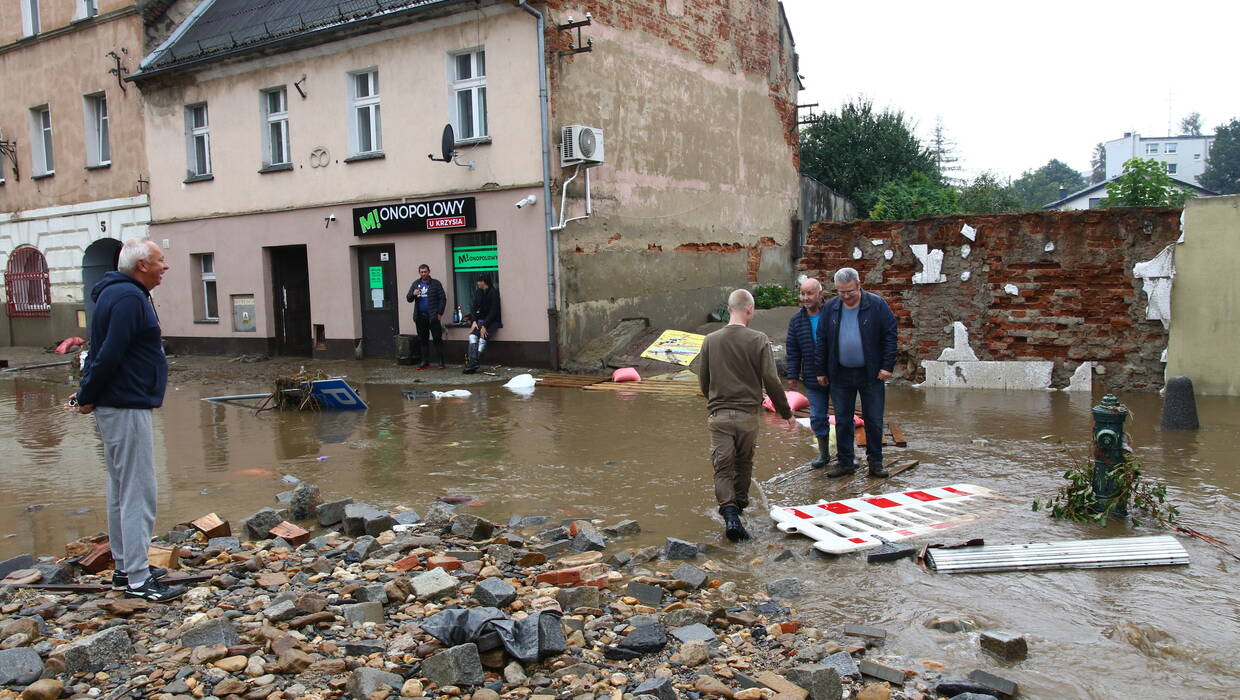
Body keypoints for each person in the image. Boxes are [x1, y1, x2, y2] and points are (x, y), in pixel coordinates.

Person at [69, 238, 186, 602]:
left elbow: (101, 350)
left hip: (121, 402)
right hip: (125, 404)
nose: (165, 266)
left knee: (121, 486)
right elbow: (107, 354)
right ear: (141, 266)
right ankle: (137, 579)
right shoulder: (127, 297)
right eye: (160, 260)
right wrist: (87, 395)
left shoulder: (121, 294)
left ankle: (125, 568)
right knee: (138, 489)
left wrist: (88, 393)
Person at [698, 289, 796, 542]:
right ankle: (739, 509)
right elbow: (772, 381)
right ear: (750, 309)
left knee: (722, 469)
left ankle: (729, 514)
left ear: (729, 309)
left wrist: (716, 401)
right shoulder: (759, 339)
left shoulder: (710, 340)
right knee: (743, 464)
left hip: (719, 415)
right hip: (748, 416)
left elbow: (703, 382)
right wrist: (786, 413)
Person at [815, 267, 898, 478]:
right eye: (841, 292)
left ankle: (875, 463)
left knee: (874, 419)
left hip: (871, 373)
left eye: (849, 292)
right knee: (842, 420)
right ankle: (845, 462)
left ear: (859, 286)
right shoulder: (831, 308)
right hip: (840, 373)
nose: (845, 296)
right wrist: (821, 370)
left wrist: (887, 366)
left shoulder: (876, 305)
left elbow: (890, 335)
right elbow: (822, 340)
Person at [785, 277, 831, 468]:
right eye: (803, 293)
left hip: (838, 375)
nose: (805, 298)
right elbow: (793, 349)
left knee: (844, 416)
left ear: (820, 294)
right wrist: (793, 375)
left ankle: (847, 455)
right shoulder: (797, 321)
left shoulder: (832, 314)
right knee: (818, 416)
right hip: (812, 376)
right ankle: (824, 454)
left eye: (810, 293)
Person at [406, 264, 447, 369]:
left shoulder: (436, 284)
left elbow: (443, 299)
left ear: (429, 272)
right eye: (421, 272)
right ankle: (425, 361)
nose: (423, 274)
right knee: (423, 340)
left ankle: (441, 361)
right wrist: (413, 294)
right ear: (419, 273)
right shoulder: (416, 284)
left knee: (437, 339)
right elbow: (409, 298)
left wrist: (439, 313)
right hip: (420, 317)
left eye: (425, 271)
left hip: (433, 316)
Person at [463, 275, 501, 374]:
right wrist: (474, 321)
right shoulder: (478, 292)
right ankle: (472, 362)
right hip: (480, 321)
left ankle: (475, 362)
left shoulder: (493, 293)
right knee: (472, 336)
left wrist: (485, 325)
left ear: (483, 282)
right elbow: (473, 307)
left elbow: (494, 311)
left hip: (493, 321)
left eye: (478, 281)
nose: (477, 283)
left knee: (482, 338)